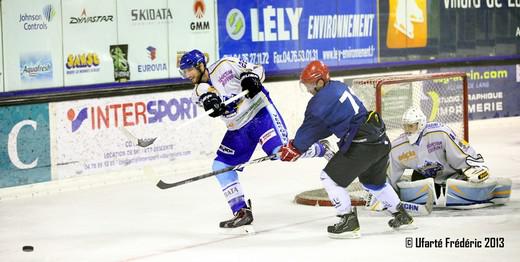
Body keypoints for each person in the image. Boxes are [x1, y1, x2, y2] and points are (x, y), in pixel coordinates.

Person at [179, 50, 332, 232]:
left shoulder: (225, 65)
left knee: (280, 153)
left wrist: (251, 79)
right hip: (238, 129)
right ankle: (241, 211)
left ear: (200, 65)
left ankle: (321, 148)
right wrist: (212, 105)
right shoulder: (196, 93)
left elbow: (258, 70)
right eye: (184, 72)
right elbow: (206, 99)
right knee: (220, 166)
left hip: (261, 114)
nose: (187, 75)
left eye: (189, 70)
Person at [279, 60, 415, 239]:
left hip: (362, 143)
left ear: (320, 82)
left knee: (329, 178)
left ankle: (347, 220)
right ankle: (401, 214)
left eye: (310, 85)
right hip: (379, 139)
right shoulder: (338, 86)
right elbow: (328, 125)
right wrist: (299, 144)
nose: (308, 90)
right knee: (373, 183)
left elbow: (312, 128)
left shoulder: (318, 103)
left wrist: (295, 147)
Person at [388, 107, 511, 209]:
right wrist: (386, 190)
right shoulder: (398, 146)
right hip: (424, 177)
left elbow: (460, 149)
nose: (407, 130)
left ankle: (490, 190)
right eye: (405, 126)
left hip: (452, 174)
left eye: (411, 126)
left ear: (420, 124)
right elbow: (391, 170)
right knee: (419, 196)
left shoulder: (440, 132)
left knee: (462, 191)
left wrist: (474, 167)